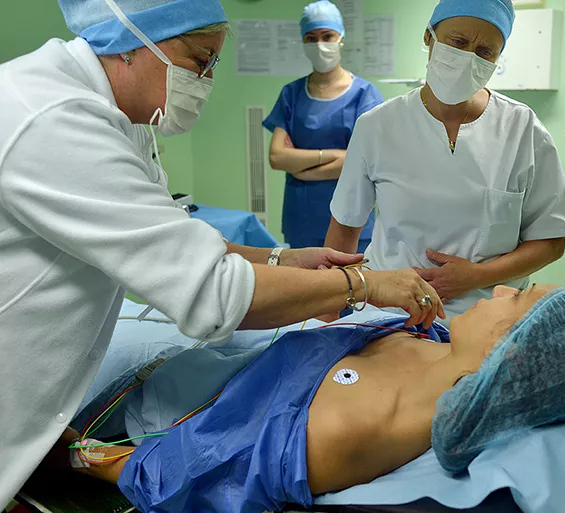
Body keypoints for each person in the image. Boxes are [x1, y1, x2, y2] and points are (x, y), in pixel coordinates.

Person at [0, 0, 443, 504]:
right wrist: (364, 284)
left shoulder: (124, 116)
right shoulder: (53, 120)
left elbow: (174, 235)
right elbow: (214, 295)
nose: (207, 80)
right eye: (199, 59)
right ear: (130, 42)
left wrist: (278, 259)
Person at [61, 285, 565, 512]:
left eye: (517, 296)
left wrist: (70, 453)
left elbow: (181, 473)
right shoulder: (448, 352)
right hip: (216, 345)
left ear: (512, 352)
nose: (500, 289)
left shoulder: (354, 428)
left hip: (147, 391)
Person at [325, 0, 565, 324]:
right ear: (429, 37)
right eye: (458, 42)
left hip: (488, 320)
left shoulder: (523, 130)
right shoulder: (377, 126)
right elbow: (344, 229)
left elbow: (551, 240)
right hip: (390, 318)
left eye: (485, 51)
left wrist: (476, 276)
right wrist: (327, 313)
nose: (468, 58)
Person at [264, 0, 383, 251]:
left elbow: (366, 161)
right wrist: (336, 155)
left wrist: (302, 168)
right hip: (302, 220)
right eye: (311, 37)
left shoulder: (365, 94)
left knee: (353, 287)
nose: (320, 44)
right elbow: (276, 157)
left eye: (327, 35)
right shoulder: (292, 94)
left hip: (353, 219)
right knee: (306, 287)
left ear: (341, 37)